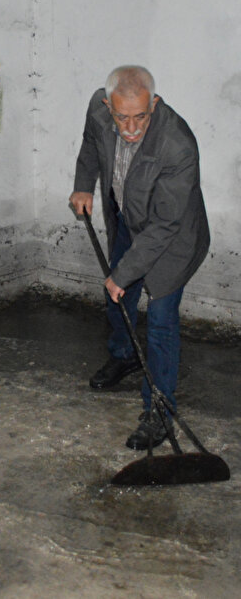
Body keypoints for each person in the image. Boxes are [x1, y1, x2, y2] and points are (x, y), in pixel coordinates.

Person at [69, 65, 209, 449]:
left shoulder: (177, 144)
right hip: (130, 219)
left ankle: (160, 412)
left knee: (160, 319)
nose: (130, 128)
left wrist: (122, 273)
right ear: (107, 105)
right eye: (122, 117)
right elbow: (90, 141)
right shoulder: (98, 111)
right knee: (118, 297)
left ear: (155, 103)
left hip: (173, 237)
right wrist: (84, 186)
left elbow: (165, 226)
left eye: (140, 117)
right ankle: (125, 355)